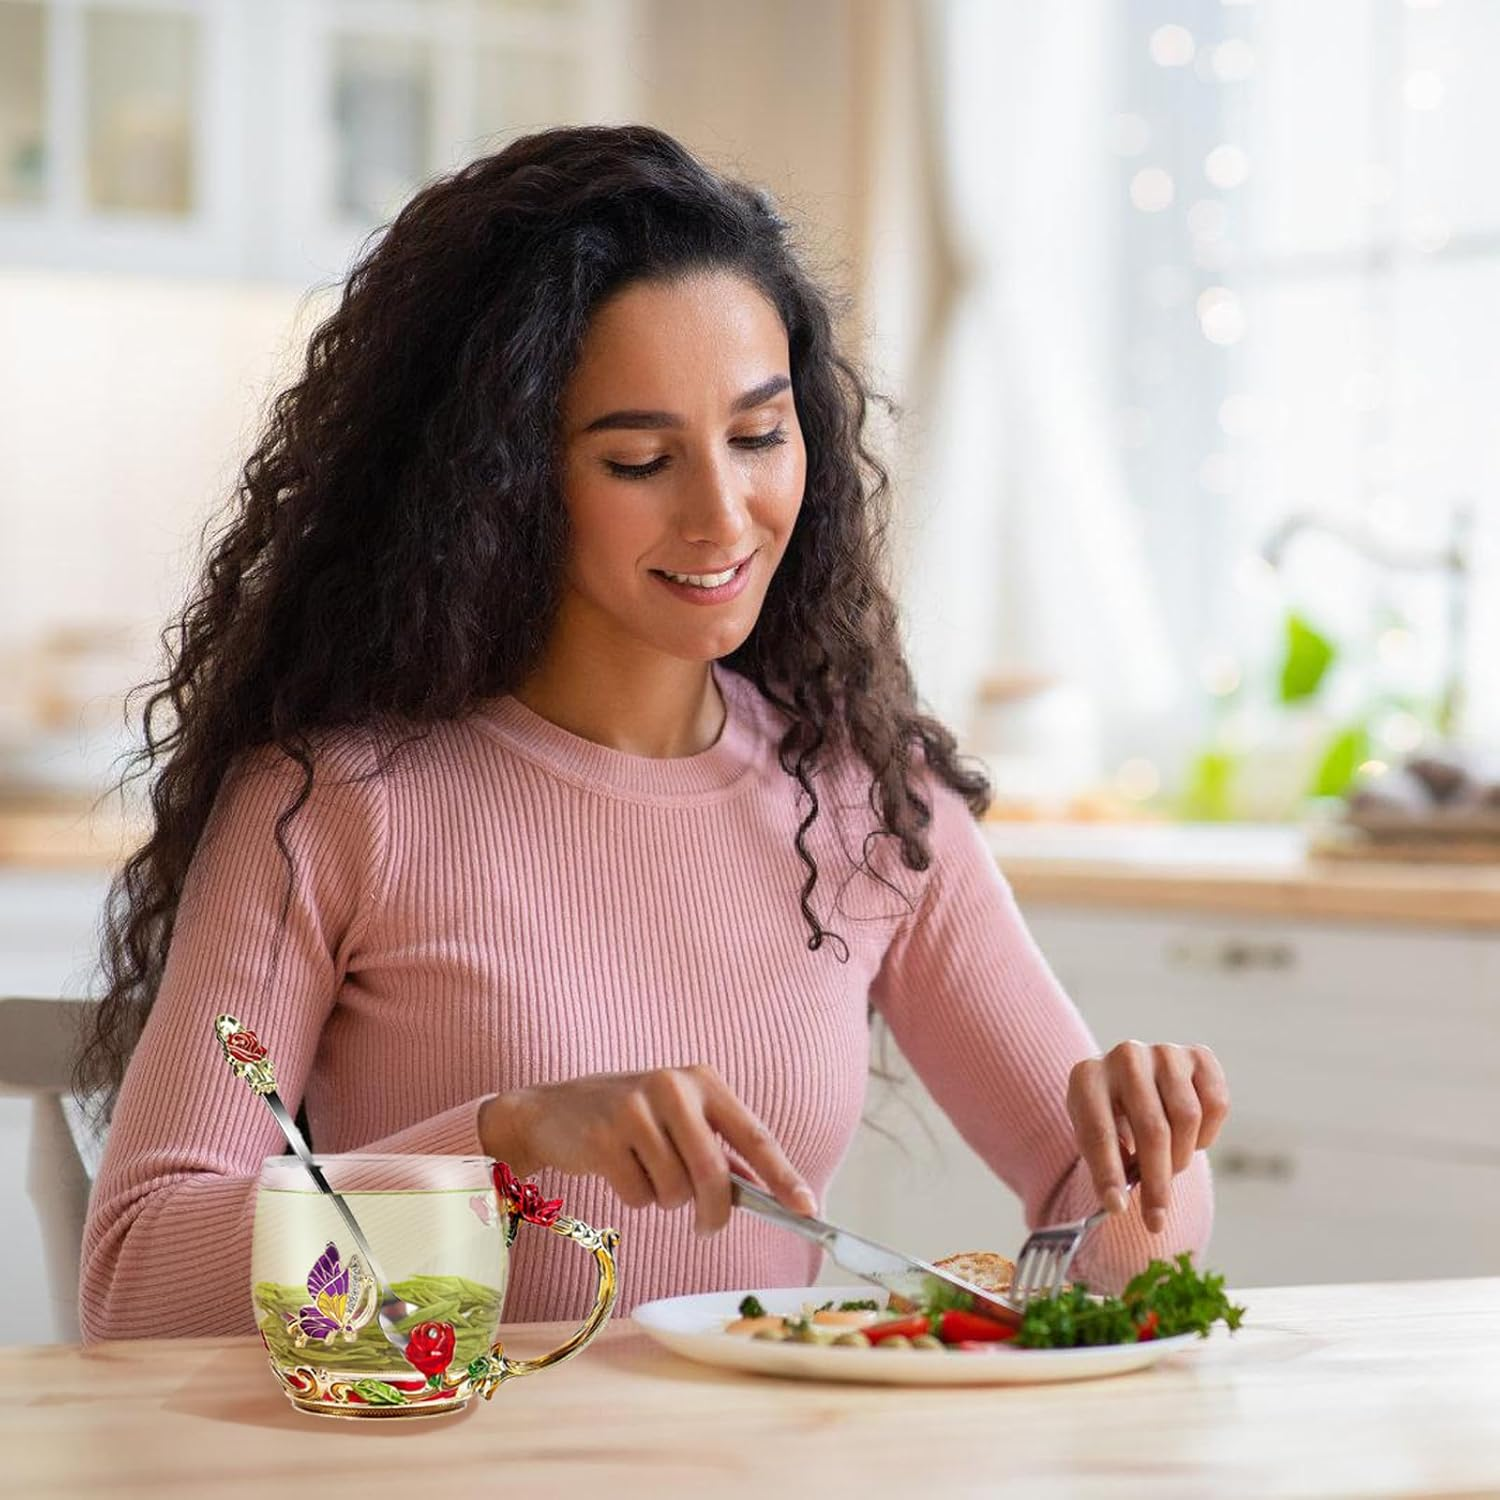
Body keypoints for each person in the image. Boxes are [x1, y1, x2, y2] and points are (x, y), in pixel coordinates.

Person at [75, 124, 1224, 1341]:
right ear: (503, 479)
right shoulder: (332, 806)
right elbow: (139, 1277)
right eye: (638, 459)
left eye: (758, 436)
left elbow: (1109, 1261)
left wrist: (1146, 1153)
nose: (722, 516)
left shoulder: (867, 798)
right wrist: (504, 1143)